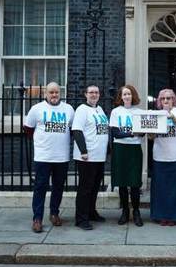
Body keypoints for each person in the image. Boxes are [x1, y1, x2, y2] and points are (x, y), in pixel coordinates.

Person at [24, 82, 75, 233]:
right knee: (40, 187)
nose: (54, 95)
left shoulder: (68, 109)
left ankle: (54, 213)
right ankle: (37, 218)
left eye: (56, 92)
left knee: (58, 187)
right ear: (45, 93)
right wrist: (42, 141)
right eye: (51, 92)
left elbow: (72, 130)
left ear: (60, 93)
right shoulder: (37, 109)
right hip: (43, 156)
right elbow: (28, 129)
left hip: (62, 156)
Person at [149, 89, 176, 226]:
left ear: (174, 100)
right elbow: (151, 137)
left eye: (169, 98)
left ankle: (175, 216)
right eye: (163, 99)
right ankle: (161, 216)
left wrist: (173, 118)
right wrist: (150, 131)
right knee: (161, 189)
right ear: (159, 101)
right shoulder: (156, 114)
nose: (166, 101)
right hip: (160, 157)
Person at [72, 85, 109, 230]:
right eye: (91, 92)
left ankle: (91, 212)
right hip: (87, 157)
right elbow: (76, 130)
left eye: (96, 92)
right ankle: (81, 219)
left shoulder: (99, 109)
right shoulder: (82, 109)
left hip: (99, 156)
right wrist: (83, 150)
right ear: (85, 94)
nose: (94, 95)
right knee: (85, 189)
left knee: (94, 188)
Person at [109, 85, 144, 227]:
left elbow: (142, 132)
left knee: (135, 183)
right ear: (121, 97)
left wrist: (136, 133)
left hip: (134, 148)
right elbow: (116, 133)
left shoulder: (140, 112)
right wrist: (132, 133)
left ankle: (136, 211)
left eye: (129, 94)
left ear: (133, 95)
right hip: (120, 149)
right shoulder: (116, 112)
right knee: (122, 183)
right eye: (124, 94)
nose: (127, 96)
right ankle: (125, 211)